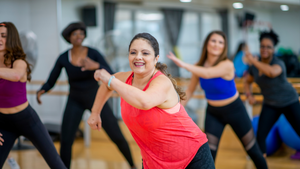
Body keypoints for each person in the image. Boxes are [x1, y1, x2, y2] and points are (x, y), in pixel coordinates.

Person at [88, 33, 215, 169]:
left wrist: (111, 80)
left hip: (192, 157)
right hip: (154, 161)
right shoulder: (125, 79)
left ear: (156, 59)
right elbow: (106, 86)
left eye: (145, 53)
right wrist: (95, 112)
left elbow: (145, 102)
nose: (138, 57)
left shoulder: (162, 82)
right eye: (133, 52)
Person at [36, 22, 135, 169]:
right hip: (74, 100)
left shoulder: (93, 53)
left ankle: (132, 165)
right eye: (75, 33)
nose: (79, 36)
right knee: (66, 140)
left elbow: (110, 71)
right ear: (69, 37)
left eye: (81, 33)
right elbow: (52, 78)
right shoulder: (63, 57)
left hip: (96, 98)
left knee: (116, 134)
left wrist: (95, 66)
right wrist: (42, 90)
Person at [167, 30, 268, 168]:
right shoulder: (198, 66)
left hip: (235, 111)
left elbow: (208, 73)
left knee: (253, 151)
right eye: (213, 41)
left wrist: (184, 65)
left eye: (220, 42)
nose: (216, 45)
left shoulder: (227, 65)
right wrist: (176, 110)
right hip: (214, 114)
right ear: (207, 43)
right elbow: (189, 91)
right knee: (209, 156)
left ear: (224, 47)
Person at [0, 22, 67, 169]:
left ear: (11, 39)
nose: (0, 39)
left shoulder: (20, 62)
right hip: (3, 123)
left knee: (55, 162)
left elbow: (16, 75)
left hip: (27, 120)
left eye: (3, 36)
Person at [244, 29, 300, 160]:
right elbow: (248, 81)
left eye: (268, 47)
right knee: (261, 136)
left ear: (273, 49)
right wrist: (249, 94)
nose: (265, 49)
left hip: (289, 101)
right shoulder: (254, 67)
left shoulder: (278, 63)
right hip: (270, 105)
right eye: (262, 46)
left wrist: (253, 60)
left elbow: (271, 73)